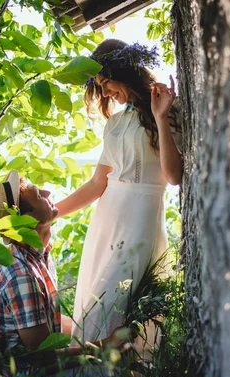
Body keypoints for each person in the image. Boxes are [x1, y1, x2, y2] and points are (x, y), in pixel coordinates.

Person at [55, 39, 183, 347]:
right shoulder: (114, 124)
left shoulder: (166, 107)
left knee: (116, 314)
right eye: (99, 87)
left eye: (106, 83)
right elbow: (97, 184)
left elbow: (173, 176)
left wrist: (161, 117)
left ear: (122, 71)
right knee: (101, 311)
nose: (105, 93)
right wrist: (50, 214)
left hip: (141, 221)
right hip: (107, 224)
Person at [0, 170, 135, 377]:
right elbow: (42, 355)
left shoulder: (37, 255)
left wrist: (95, 332)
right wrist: (101, 347)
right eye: (38, 196)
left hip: (43, 369)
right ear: (26, 219)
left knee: (132, 374)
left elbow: (48, 323)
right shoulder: (20, 273)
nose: (48, 192)